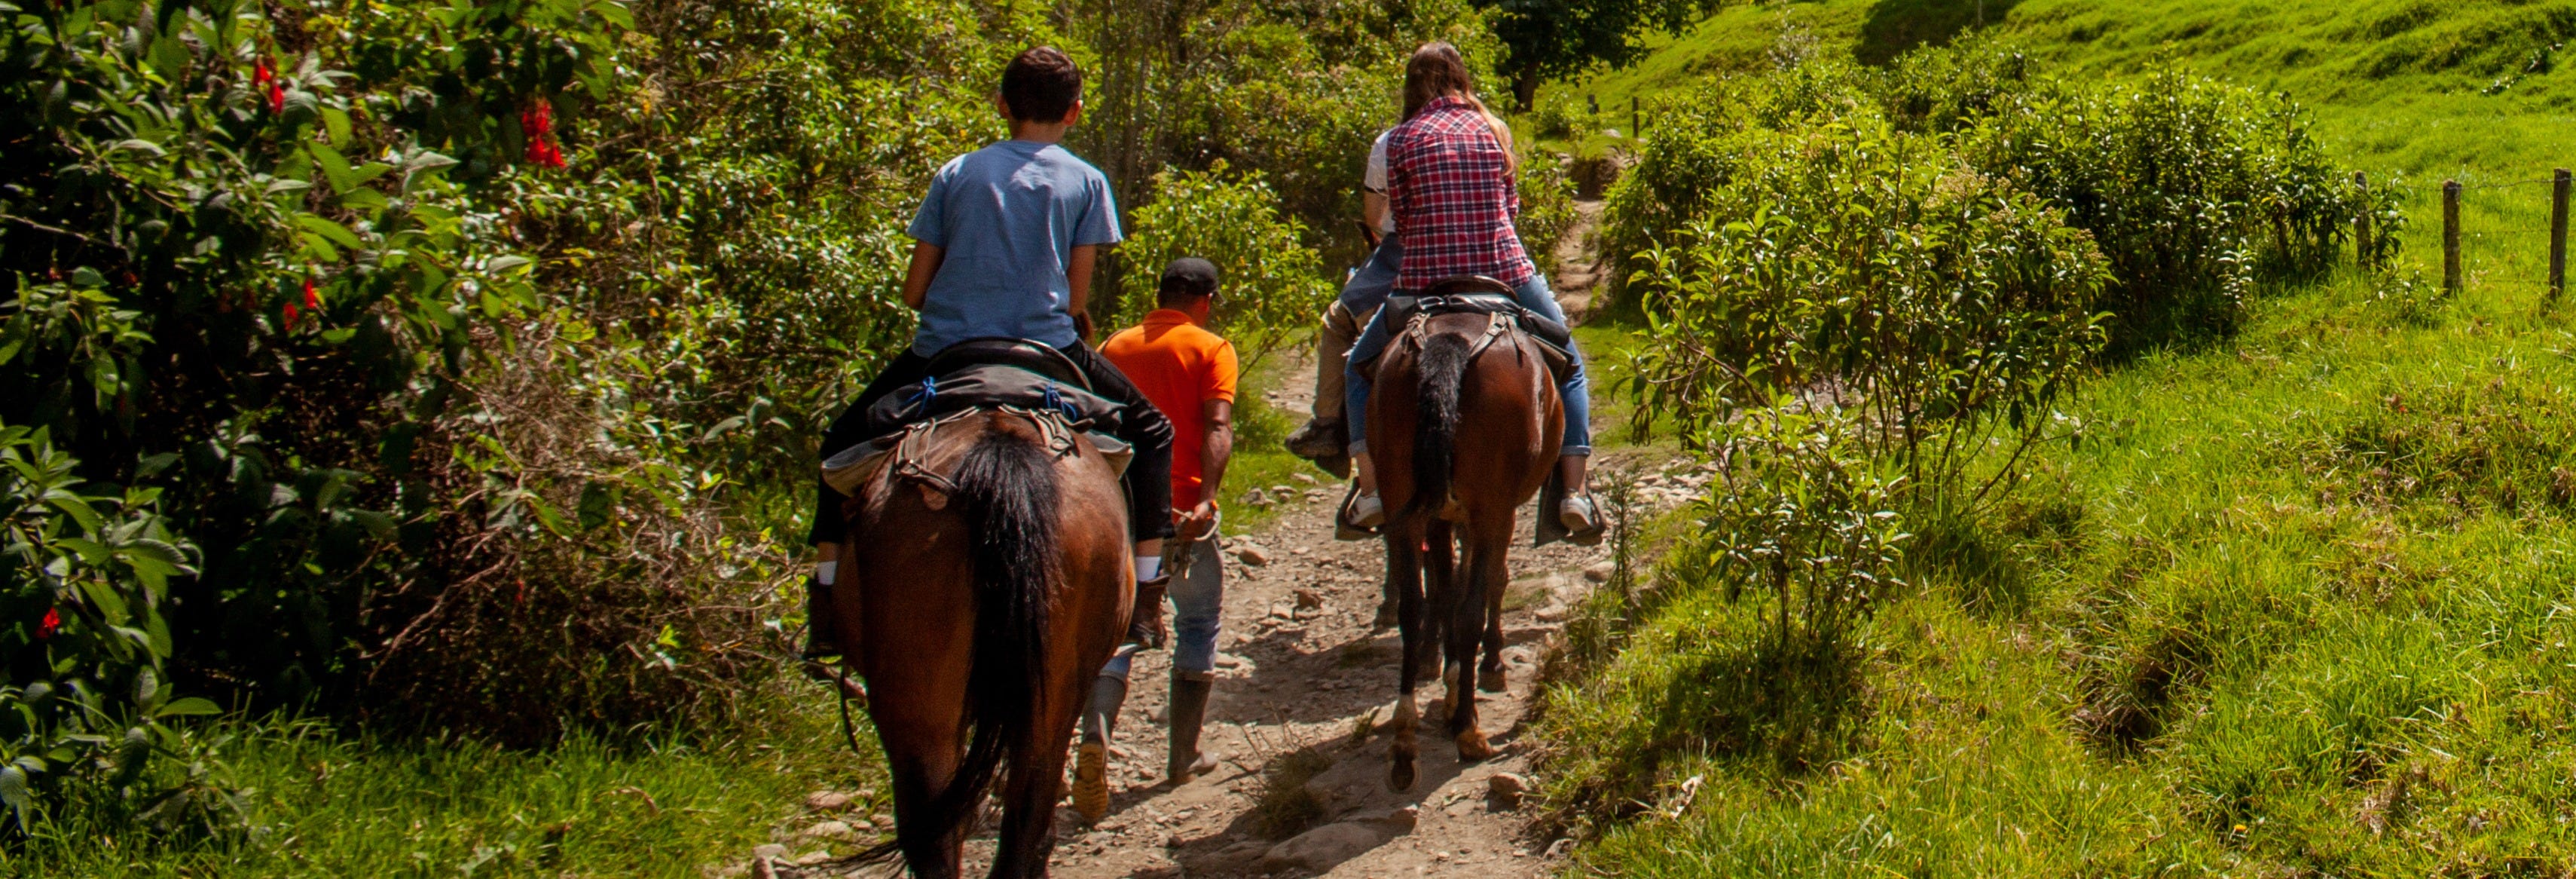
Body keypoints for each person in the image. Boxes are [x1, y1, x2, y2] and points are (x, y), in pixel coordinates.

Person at [802, 47, 1177, 661]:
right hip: (1046, 346)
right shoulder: (1086, 181)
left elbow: (913, 291)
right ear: (1075, 113)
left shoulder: (956, 173)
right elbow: (1077, 295)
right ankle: (1146, 596)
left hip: (944, 351)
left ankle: (822, 602)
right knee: (1152, 431)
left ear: (1001, 105)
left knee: (839, 437)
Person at [1343, 42, 1601, 539]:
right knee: (1568, 362)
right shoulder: (1494, 128)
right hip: (1503, 269)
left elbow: (1393, 218)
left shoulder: (1398, 139)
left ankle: (1371, 489)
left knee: (1358, 367)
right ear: (1461, 77)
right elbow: (1511, 206)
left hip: (1423, 278)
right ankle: (1575, 492)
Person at [1072, 258, 1239, 817]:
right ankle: (1183, 755)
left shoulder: (1114, 346)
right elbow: (1217, 425)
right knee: (1197, 620)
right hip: (1180, 515)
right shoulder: (1210, 348)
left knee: (1116, 628)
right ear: (1206, 300)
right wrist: (1204, 498)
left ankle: (1094, 735)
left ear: (1159, 294)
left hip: (1118, 512)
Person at [1281, 129, 1399, 464]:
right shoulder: (1491, 129)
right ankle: (1561, 471)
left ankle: (1328, 426)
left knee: (1338, 318)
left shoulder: (1394, 139)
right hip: (1484, 258)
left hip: (1406, 254)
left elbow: (1376, 219)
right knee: (1552, 337)